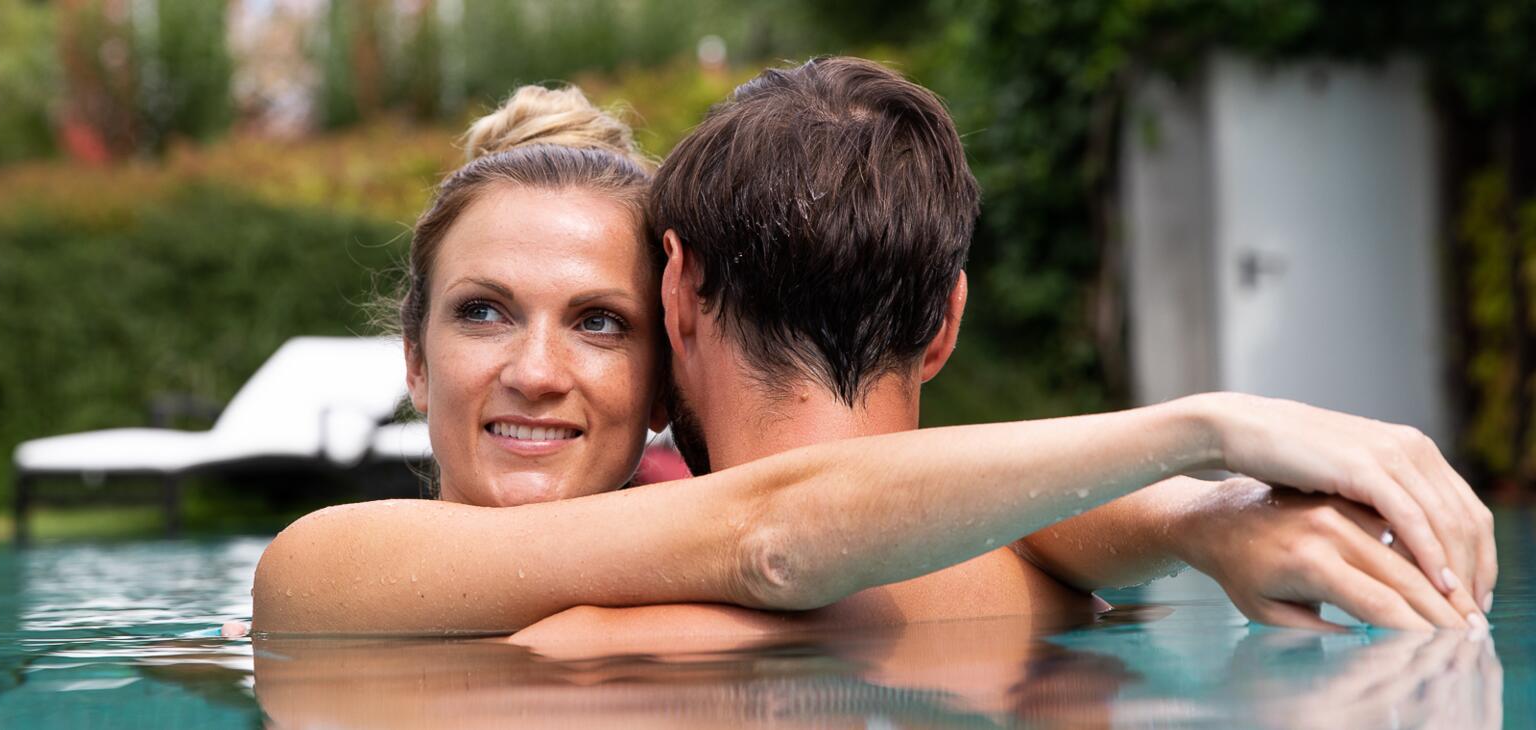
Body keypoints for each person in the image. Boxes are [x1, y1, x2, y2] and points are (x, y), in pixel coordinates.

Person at [241, 66, 1492, 638]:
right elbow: (780, 528)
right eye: (482, 311)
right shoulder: (326, 566)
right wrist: (1198, 447)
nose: (536, 368)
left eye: (600, 320)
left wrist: (1189, 517)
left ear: (671, 341)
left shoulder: (833, 554)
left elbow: (843, 510)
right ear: (410, 357)